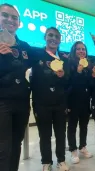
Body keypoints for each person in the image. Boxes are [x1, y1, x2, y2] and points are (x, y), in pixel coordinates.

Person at [31, 27, 69, 171]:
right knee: (45, 135)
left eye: (56, 37)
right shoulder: (36, 54)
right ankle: (46, 162)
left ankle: (61, 160)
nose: (53, 39)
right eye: (50, 35)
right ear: (45, 37)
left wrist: (63, 75)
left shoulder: (64, 58)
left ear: (60, 40)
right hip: (42, 104)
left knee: (60, 134)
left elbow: (68, 81)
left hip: (60, 103)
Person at [0, 3, 32, 171]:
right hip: (2, 102)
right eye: (5, 15)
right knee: (3, 147)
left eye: (14, 17)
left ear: (19, 23)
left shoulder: (24, 46)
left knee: (16, 143)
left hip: (21, 101)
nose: (10, 20)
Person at [67, 41, 93, 164]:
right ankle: (73, 150)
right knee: (72, 126)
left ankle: (83, 146)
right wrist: (78, 72)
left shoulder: (88, 65)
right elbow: (69, 84)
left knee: (84, 125)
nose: (81, 51)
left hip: (85, 101)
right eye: (78, 49)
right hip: (72, 101)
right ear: (74, 51)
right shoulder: (69, 64)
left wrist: (93, 75)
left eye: (83, 49)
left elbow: (90, 84)